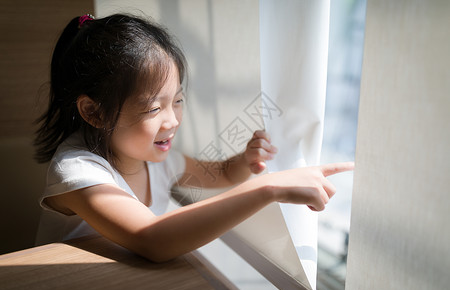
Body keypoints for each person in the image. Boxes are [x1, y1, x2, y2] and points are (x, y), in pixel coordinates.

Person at [34, 13, 353, 263]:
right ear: (94, 112)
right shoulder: (77, 169)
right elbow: (152, 240)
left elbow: (220, 173)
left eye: (178, 101)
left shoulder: (157, 160)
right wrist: (269, 187)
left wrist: (244, 161)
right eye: (154, 108)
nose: (172, 120)